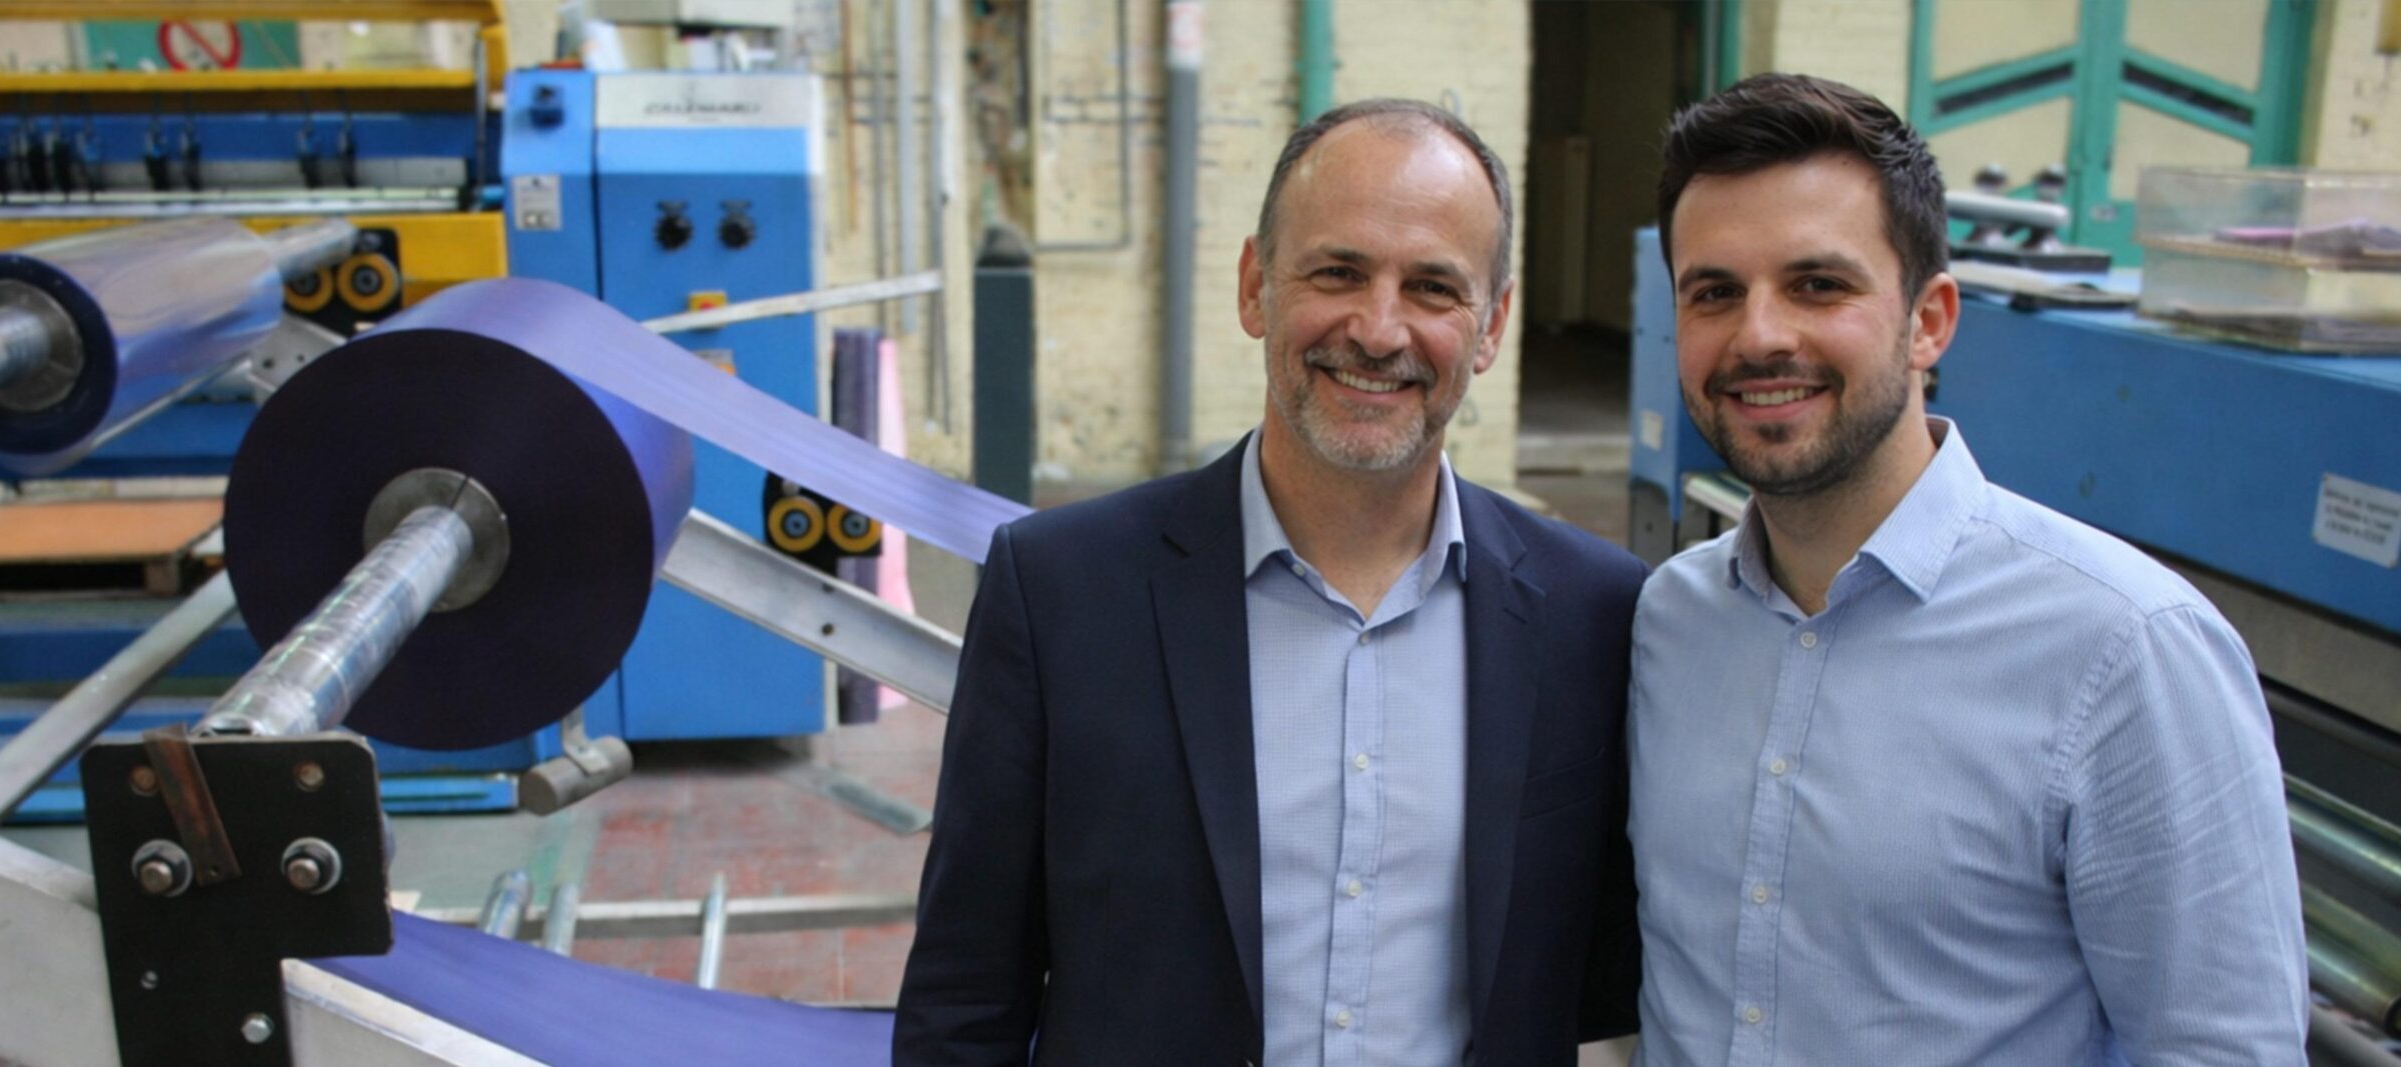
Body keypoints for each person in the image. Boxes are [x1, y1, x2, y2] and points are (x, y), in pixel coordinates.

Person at [895, 98, 1647, 1066]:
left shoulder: (1596, 613)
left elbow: (1599, 973)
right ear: (1255, 287)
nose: (1378, 329)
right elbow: (964, 993)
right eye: (1337, 272)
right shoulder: (1060, 591)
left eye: (1432, 287)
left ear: (1492, 324)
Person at [1629, 73, 2308, 1065]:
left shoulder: (2126, 652)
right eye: (1714, 292)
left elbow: (2223, 1047)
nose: (1760, 334)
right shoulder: (1670, 620)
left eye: (1818, 285)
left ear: (1930, 321)